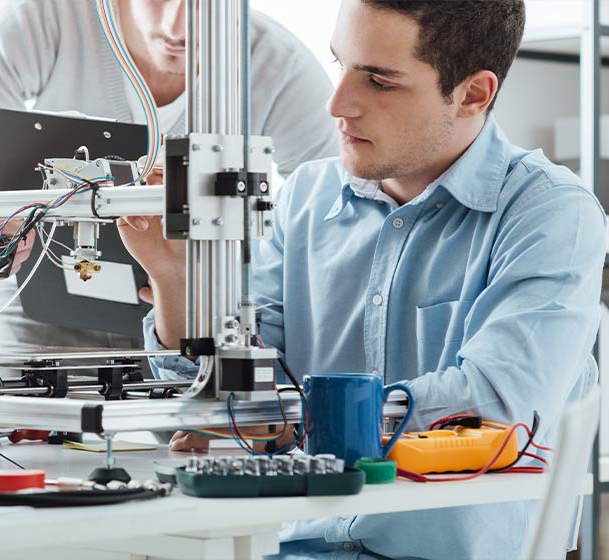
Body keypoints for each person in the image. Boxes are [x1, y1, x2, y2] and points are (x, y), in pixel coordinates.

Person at [120, 0, 607, 558]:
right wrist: (174, 280)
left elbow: (495, 402)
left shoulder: (549, 211)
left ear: (473, 93)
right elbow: (227, 397)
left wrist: (287, 422)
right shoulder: (306, 197)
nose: (337, 104)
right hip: (292, 546)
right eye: (341, 64)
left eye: (379, 80)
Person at [0, 0, 337, 351]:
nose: (176, 28)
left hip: (188, 320)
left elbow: (332, 226)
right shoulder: (41, 19)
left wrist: (227, 288)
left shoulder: (279, 66)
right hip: (33, 317)